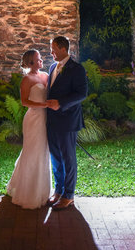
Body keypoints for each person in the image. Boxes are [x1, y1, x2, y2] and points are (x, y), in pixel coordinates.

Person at [46, 36, 88, 210]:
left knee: (68, 159)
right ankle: (58, 190)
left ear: (64, 49)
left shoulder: (76, 69)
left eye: (53, 49)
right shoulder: (52, 67)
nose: (51, 52)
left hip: (68, 121)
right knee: (55, 158)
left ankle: (68, 195)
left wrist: (61, 103)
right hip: (52, 121)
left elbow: (81, 93)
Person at [6, 49, 51, 209]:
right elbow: (25, 102)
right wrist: (44, 105)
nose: (41, 61)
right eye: (38, 60)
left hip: (46, 118)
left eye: (40, 59)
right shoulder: (27, 80)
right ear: (30, 62)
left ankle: (43, 191)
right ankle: (28, 192)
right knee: (32, 151)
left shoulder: (46, 75)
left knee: (43, 152)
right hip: (33, 118)